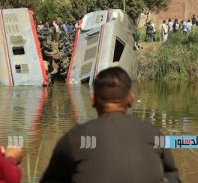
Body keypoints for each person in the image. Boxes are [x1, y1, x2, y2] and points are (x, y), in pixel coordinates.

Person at [40, 67, 181, 183]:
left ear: (93, 100)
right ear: (131, 99)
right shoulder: (152, 133)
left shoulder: (75, 138)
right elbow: (172, 174)